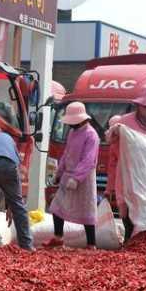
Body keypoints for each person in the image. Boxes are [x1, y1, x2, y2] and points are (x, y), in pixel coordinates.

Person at [107, 83, 146, 242]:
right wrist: (115, 131)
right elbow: (110, 139)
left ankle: (142, 242)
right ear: (138, 106)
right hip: (128, 175)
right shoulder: (125, 121)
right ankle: (130, 242)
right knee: (128, 211)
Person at [44, 102, 100, 249]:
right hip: (68, 175)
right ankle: (58, 238)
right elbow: (67, 154)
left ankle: (91, 244)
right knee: (57, 206)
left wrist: (76, 178)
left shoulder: (91, 135)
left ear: (82, 119)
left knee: (87, 209)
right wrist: (59, 173)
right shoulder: (72, 133)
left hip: (84, 179)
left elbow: (89, 160)